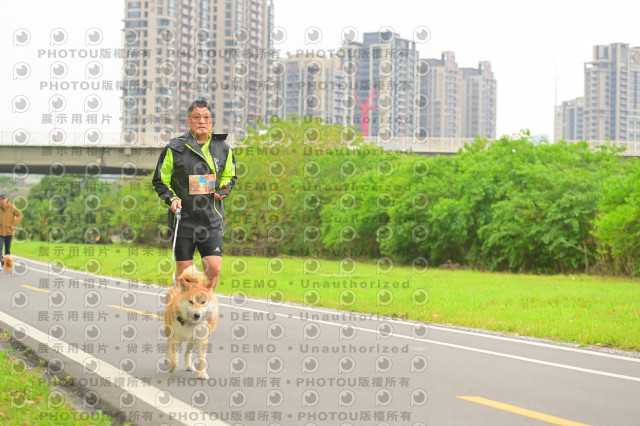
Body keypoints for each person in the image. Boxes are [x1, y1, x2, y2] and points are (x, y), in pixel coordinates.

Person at [153, 99, 237, 285]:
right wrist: (172, 199)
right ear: (188, 121)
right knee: (184, 273)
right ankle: (186, 301)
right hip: (184, 219)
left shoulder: (222, 147)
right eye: (196, 117)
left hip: (211, 219)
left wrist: (224, 188)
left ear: (211, 121)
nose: (202, 121)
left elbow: (229, 175)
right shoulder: (174, 147)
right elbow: (160, 180)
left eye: (206, 117)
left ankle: (201, 299)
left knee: (214, 268)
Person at [0, 194, 23, 266]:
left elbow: (20, 215)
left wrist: (14, 224)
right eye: (1, 199)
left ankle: (6, 263)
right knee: (0, 248)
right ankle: (0, 263)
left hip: (9, 232)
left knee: (7, 249)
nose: (2, 200)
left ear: (7, 199)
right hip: (0, 232)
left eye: (4, 199)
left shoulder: (12, 207)